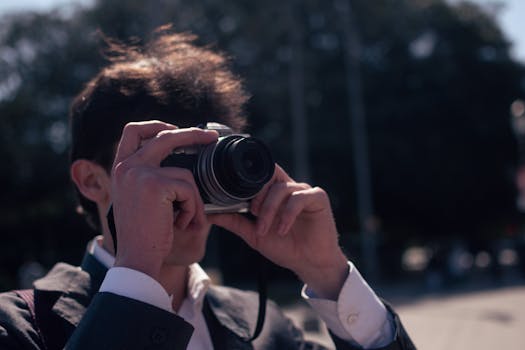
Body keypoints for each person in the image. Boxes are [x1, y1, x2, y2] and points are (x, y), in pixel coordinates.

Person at [0, 26, 415, 350]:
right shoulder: (19, 323)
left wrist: (328, 274)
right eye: (170, 159)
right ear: (92, 180)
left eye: (207, 161)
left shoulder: (264, 326)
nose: (190, 188)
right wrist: (138, 268)